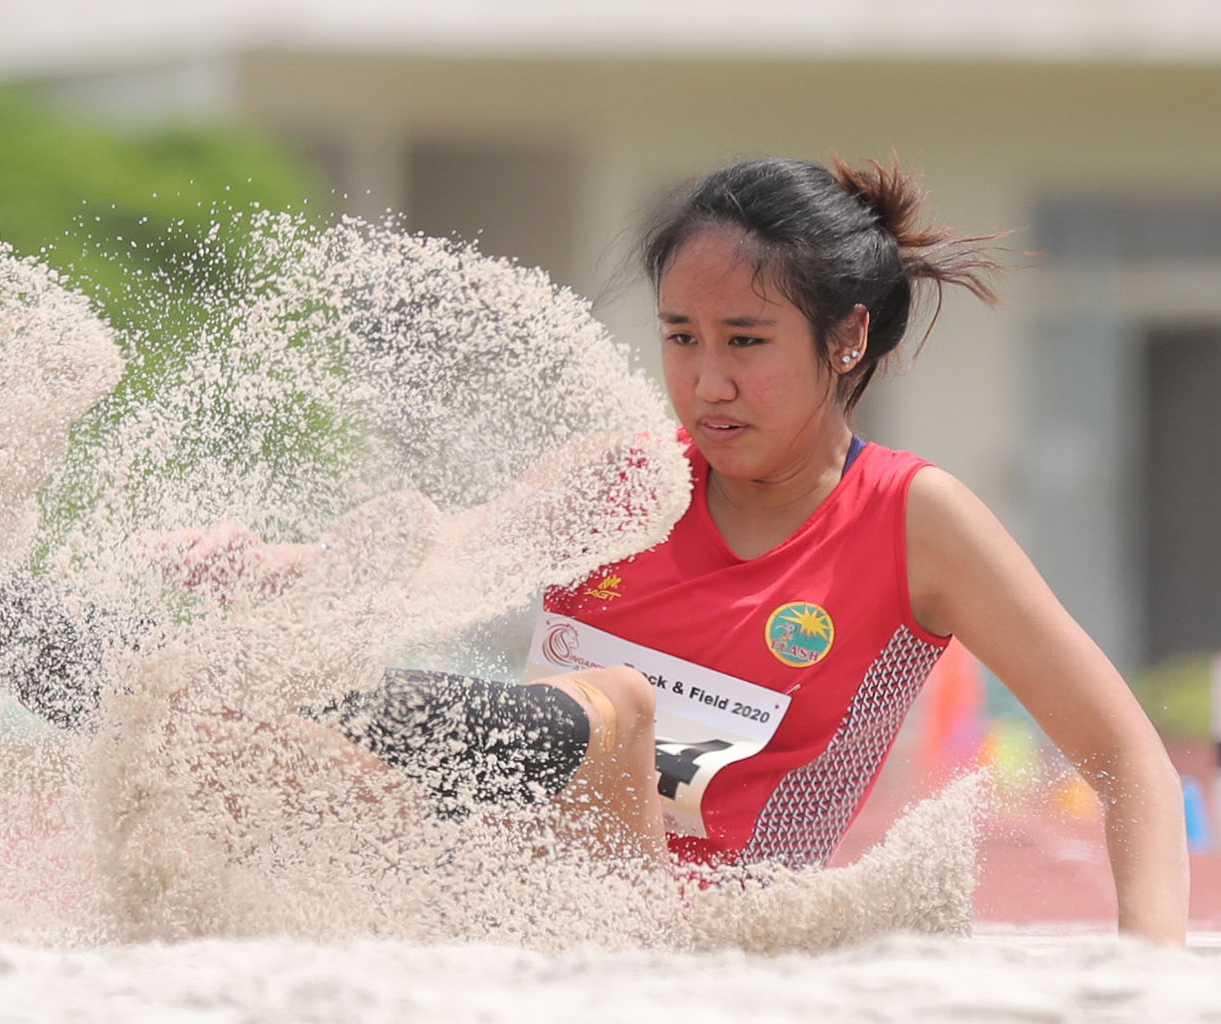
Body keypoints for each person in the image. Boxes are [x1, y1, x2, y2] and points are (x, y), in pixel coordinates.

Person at [146, 155, 1188, 945]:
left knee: (620, 716)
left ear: (847, 339)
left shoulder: (920, 520)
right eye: (681, 336)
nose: (706, 382)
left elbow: (1129, 758)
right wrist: (263, 566)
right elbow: (442, 558)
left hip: (697, 940)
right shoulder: (625, 478)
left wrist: (1148, 977)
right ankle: (154, 685)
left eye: (745, 340)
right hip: (485, 899)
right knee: (257, 756)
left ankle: (383, 708)